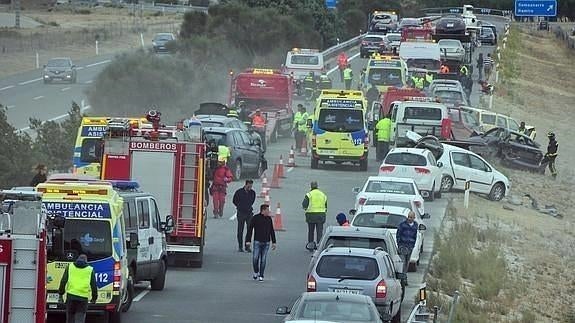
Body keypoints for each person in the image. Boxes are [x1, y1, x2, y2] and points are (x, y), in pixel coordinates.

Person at [58, 254, 97, 323]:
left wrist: (61, 294)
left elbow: (63, 281)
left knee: (70, 318)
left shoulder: (70, 267)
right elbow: (93, 286)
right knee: (80, 319)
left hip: (71, 297)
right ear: (86, 261)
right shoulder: (90, 270)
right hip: (83, 299)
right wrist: (94, 298)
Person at [245, 204, 277, 282]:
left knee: (263, 259)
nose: (269, 212)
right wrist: (248, 240)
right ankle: (256, 271)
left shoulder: (269, 219)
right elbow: (250, 229)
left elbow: (271, 230)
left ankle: (261, 275)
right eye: (267, 210)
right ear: (263, 210)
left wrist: (274, 242)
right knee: (255, 258)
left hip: (266, 242)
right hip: (257, 241)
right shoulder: (255, 218)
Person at [302, 181, 327, 250]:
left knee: (311, 231)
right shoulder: (323, 194)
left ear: (311, 186)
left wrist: (307, 209)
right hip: (321, 215)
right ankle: (319, 246)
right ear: (317, 186)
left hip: (311, 215)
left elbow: (304, 205)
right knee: (319, 232)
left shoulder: (309, 194)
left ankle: (311, 246)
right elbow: (326, 207)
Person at [233, 180, 256, 252]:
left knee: (249, 230)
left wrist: (248, 207)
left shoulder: (252, 193)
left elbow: (252, 201)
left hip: (249, 213)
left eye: (251, 186)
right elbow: (234, 201)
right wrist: (239, 206)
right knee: (240, 230)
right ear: (245, 185)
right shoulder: (239, 192)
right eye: (249, 186)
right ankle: (240, 246)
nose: (250, 187)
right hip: (241, 213)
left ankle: (247, 246)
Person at [396, 211, 418, 278]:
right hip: (402, 245)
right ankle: (403, 276)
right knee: (403, 261)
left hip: (410, 246)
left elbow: (415, 235)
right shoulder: (402, 225)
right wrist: (399, 244)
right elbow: (398, 234)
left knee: (407, 262)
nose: (409, 218)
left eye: (411, 217)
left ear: (414, 218)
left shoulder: (415, 225)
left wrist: (413, 245)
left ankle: (404, 275)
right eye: (408, 217)